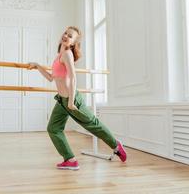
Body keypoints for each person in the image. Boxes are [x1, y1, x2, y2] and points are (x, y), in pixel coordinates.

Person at [28, 26, 127, 170]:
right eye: (65, 33)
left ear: (73, 43)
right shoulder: (58, 56)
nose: (66, 36)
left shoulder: (67, 54)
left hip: (71, 99)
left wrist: (71, 100)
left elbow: (73, 78)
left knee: (92, 124)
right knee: (53, 128)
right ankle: (70, 159)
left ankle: (116, 145)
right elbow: (51, 78)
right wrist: (37, 66)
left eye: (70, 36)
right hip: (62, 100)